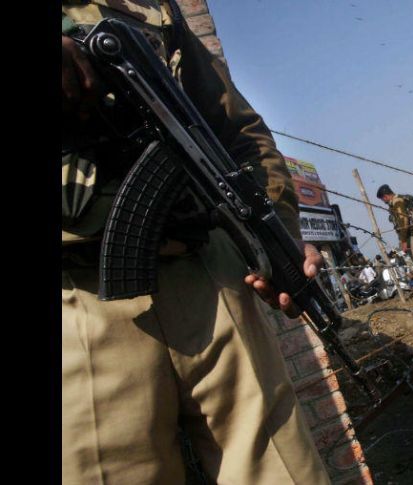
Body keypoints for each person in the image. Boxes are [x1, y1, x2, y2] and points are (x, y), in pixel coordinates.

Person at [62, 2, 331, 484]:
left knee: (285, 471)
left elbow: (238, 130)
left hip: (208, 273)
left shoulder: (150, 5)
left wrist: (278, 234)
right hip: (78, 301)